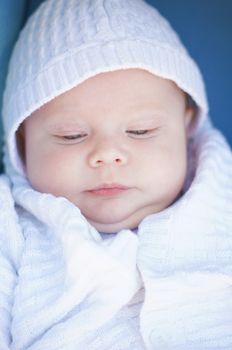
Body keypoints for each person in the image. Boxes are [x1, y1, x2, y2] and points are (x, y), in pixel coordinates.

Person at [0, 0, 231, 349]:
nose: (107, 154)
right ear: (22, 143)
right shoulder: (12, 229)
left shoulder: (222, 198)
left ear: (186, 129)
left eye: (141, 131)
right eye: (71, 136)